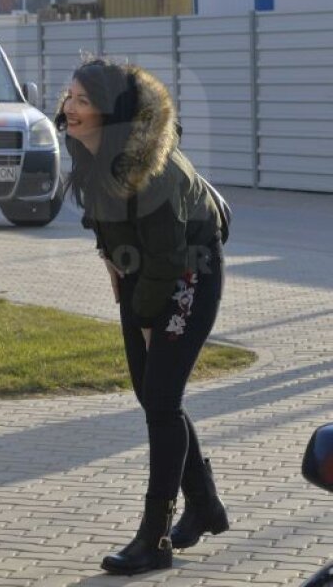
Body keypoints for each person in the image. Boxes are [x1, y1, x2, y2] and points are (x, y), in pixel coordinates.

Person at [56, 58, 230, 576]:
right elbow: (105, 216)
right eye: (69, 96)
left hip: (188, 270)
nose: (69, 108)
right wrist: (113, 265)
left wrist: (148, 313)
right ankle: (204, 506)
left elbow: (169, 257)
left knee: (160, 399)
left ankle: (155, 538)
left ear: (113, 114)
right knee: (153, 395)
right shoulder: (86, 145)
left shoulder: (151, 170)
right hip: (143, 269)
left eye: (83, 101)